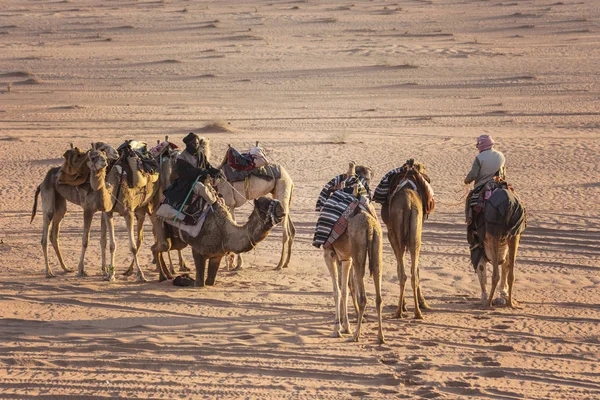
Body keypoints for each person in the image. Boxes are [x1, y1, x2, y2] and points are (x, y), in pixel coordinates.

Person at [162, 132, 221, 223]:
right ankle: (215, 205)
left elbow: (208, 167)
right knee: (200, 188)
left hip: (201, 180)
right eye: (193, 144)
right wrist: (199, 171)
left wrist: (216, 172)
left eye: (197, 143)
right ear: (188, 145)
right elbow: (183, 173)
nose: (196, 145)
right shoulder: (182, 158)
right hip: (187, 183)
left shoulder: (201, 155)